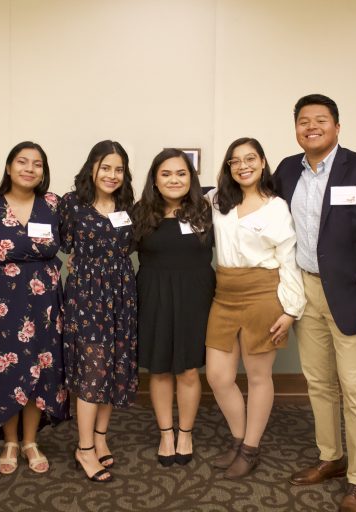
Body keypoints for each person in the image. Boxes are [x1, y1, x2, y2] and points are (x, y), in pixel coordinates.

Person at [273, 94, 356, 512]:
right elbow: (258, 208)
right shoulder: (286, 170)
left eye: (321, 120)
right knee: (319, 383)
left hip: (354, 298)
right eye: (303, 121)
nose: (311, 126)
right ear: (296, 129)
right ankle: (330, 457)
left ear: (337, 127)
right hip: (306, 292)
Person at [205, 137, 305, 479]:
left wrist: (290, 310)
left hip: (263, 295)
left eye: (250, 159)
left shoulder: (277, 207)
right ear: (228, 167)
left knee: (259, 376)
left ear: (262, 162)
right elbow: (178, 201)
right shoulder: (217, 201)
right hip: (224, 294)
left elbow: (289, 260)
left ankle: (250, 448)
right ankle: (238, 439)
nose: (243, 166)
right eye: (235, 161)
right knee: (218, 376)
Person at [0, 141, 70, 474]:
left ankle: (30, 440)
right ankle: (10, 440)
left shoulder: (53, 204)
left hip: (45, 301)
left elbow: (78, 238)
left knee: (41, 367)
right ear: (9, 168)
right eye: (22, 162)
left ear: (44, 171)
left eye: (37, 164)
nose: (29, 168)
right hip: (1, 301)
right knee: (5, 368)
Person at [60, 140, 137, 483]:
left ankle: (101, 438)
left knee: (113, 367)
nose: (112, 175)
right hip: (87, 296)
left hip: (121, 294)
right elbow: (60, 243)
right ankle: (84, 448)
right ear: (92, 167)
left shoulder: (127, 206)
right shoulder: (72, 204)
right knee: (93, 371)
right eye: (106, 167)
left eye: (119, 169)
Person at [131, 149, 214, 467]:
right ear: (154, 179)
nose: (174, 180)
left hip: (196, 296)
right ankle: (166, 433)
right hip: (154, 294)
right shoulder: (140, 211)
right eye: (166, 174)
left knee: (189, 369)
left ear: (191, 178)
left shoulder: (206, 210)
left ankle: (185, 433)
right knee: (160, 368)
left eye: (181, 173)